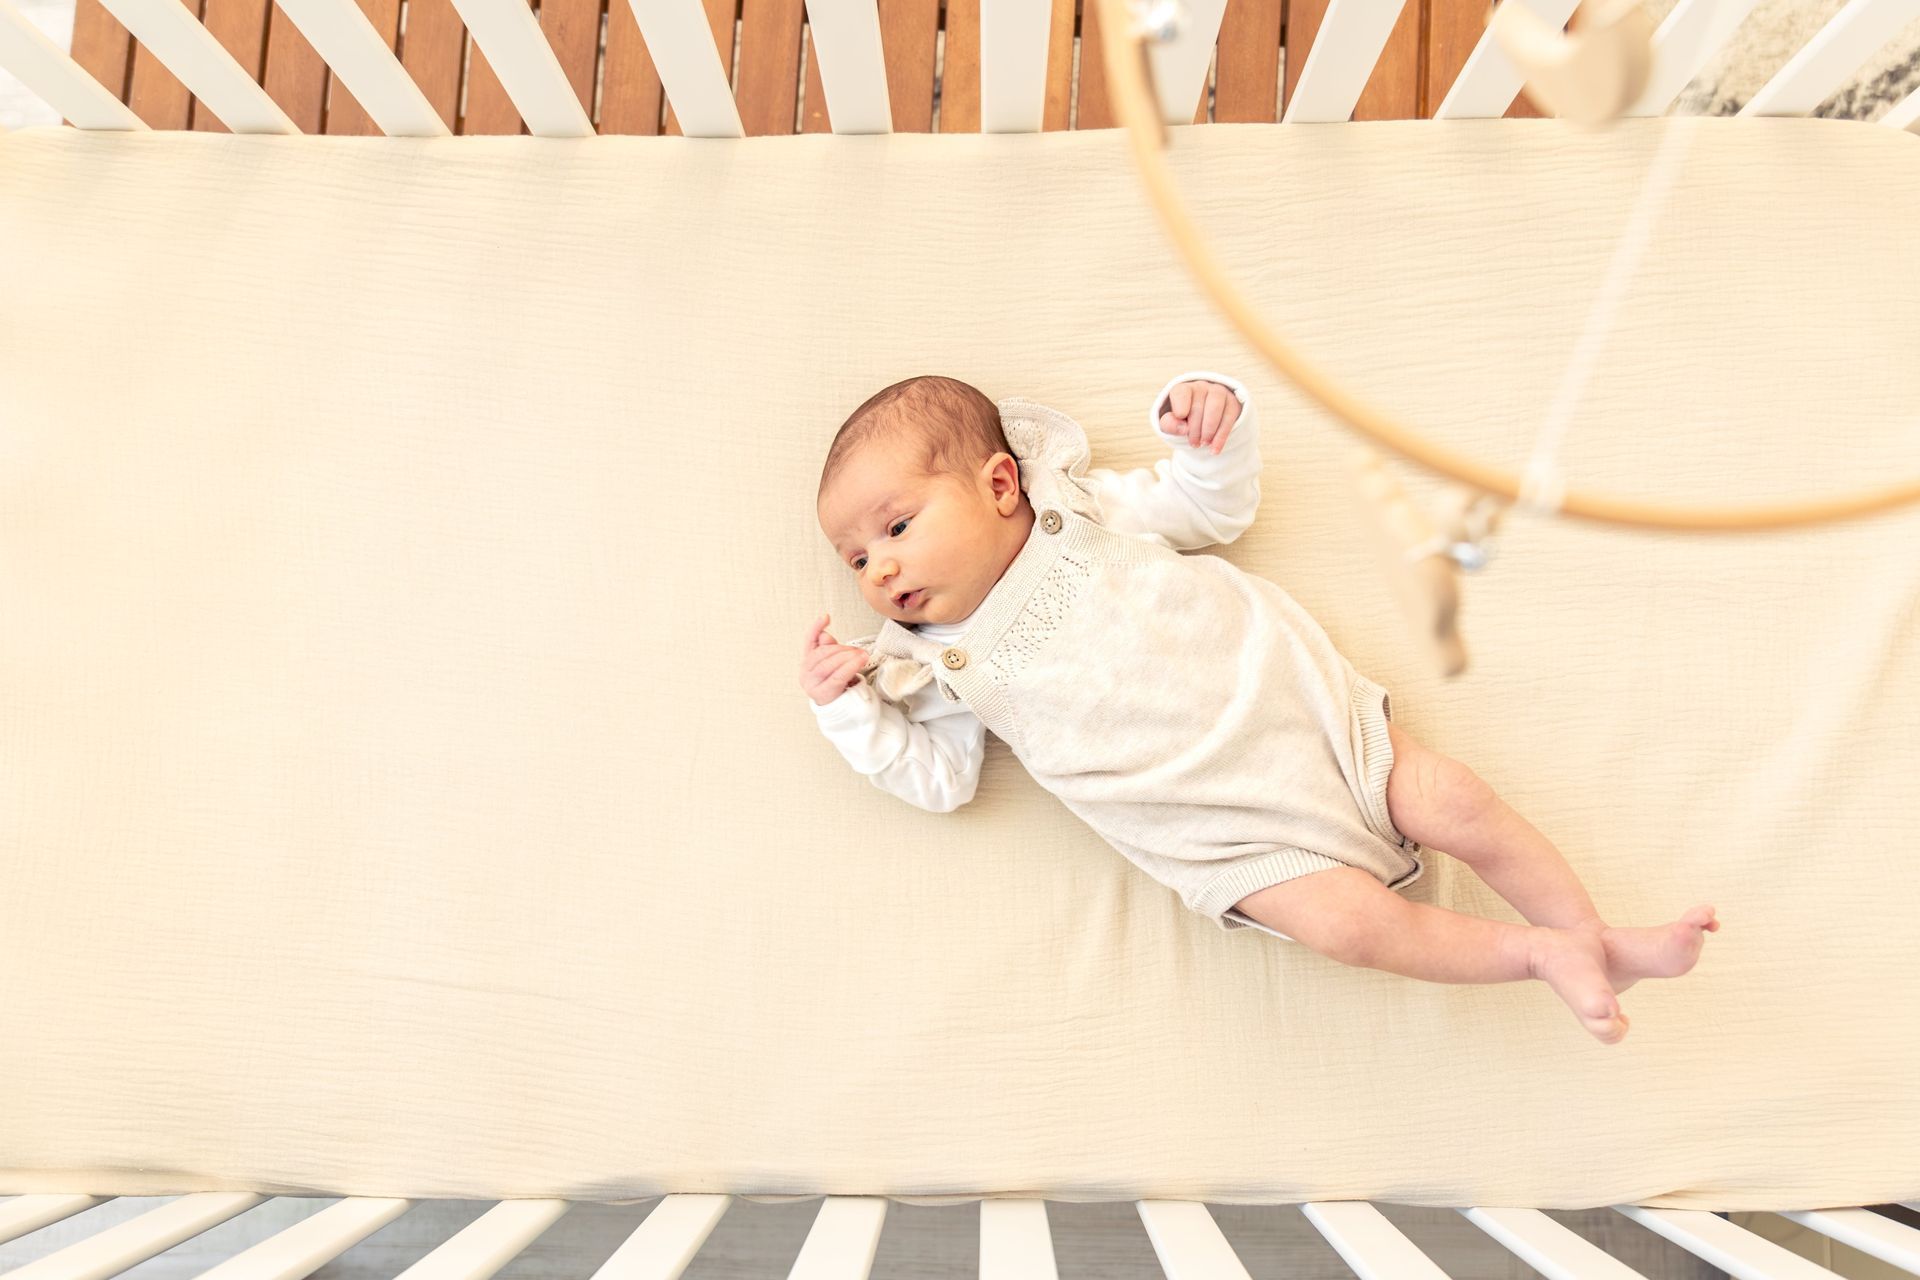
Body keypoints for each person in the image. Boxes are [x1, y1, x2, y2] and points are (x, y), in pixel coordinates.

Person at [803, 370, 1718, 1044]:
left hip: (1302, 722)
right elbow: (938, 780)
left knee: (1456, 800)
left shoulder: (1082, 514)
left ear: (1001, 486)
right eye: (854, 558)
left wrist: (1211, 441)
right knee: (1349, 928)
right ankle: (1537, 955)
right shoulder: (936, 666)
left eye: (895, 527)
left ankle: (1588, 932)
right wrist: (848, 709)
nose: (877, 568)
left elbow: (1211, 510)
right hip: (1221, 834)